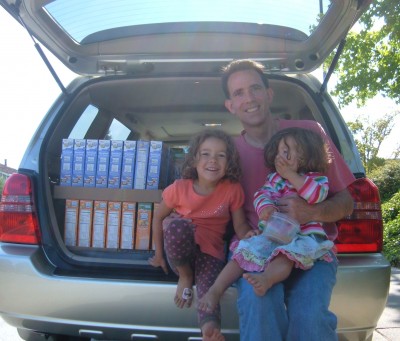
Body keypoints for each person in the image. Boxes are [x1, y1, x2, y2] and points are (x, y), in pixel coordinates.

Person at [221, 59, 356, 341]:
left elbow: (347, 202)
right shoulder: (228, 152)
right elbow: (206, 199)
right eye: (239, 93)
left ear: (269, 94)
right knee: (258, 304)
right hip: (261, 249)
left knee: (309, 320)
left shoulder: (309, 133)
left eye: (255, 88)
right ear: (230, 106)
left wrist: (310, 212)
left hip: (312, 249)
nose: (249, 98)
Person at [198, 127, 334, 313]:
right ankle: (215, 290)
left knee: (285, 257)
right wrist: (266, 208)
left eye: (286, 152)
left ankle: (267, 278)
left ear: (305, 154)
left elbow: (316, 196)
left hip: (302, 238)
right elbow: (262, 194)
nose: (279, 157)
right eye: (278, 152)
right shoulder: (275, 179)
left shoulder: (317, 179)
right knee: (243, 253)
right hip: (271, 233)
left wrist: (291, 176)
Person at [148, 129, 252, 341]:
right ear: (194, 159)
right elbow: (158, 218)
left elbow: (240, 226)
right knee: (178, 227)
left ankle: (210, 330)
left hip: (211, 253)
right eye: (205, 154)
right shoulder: (179, 188)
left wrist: (250, 235)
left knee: (210, 291)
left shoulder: (232, 189)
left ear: (229, 161)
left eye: (221, 155)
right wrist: (159, 254)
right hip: (181, 255)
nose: (212, 160)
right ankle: (185, 277)